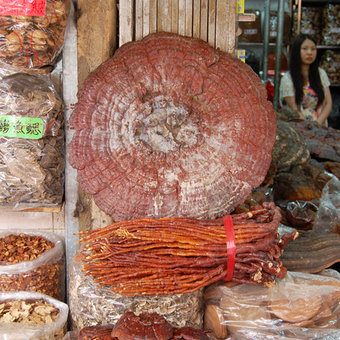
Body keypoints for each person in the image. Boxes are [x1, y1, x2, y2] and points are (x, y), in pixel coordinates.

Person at [280, 33, 332, 126]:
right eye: (305, 49)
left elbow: (328, 103)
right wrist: (309, 127)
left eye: (313, 49)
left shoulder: (321, 74)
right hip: (299, 127)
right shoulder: (288, 79)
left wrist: (317, 124)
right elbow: (294, 110)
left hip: (320, 127)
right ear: (296, 51)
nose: (309, 52)